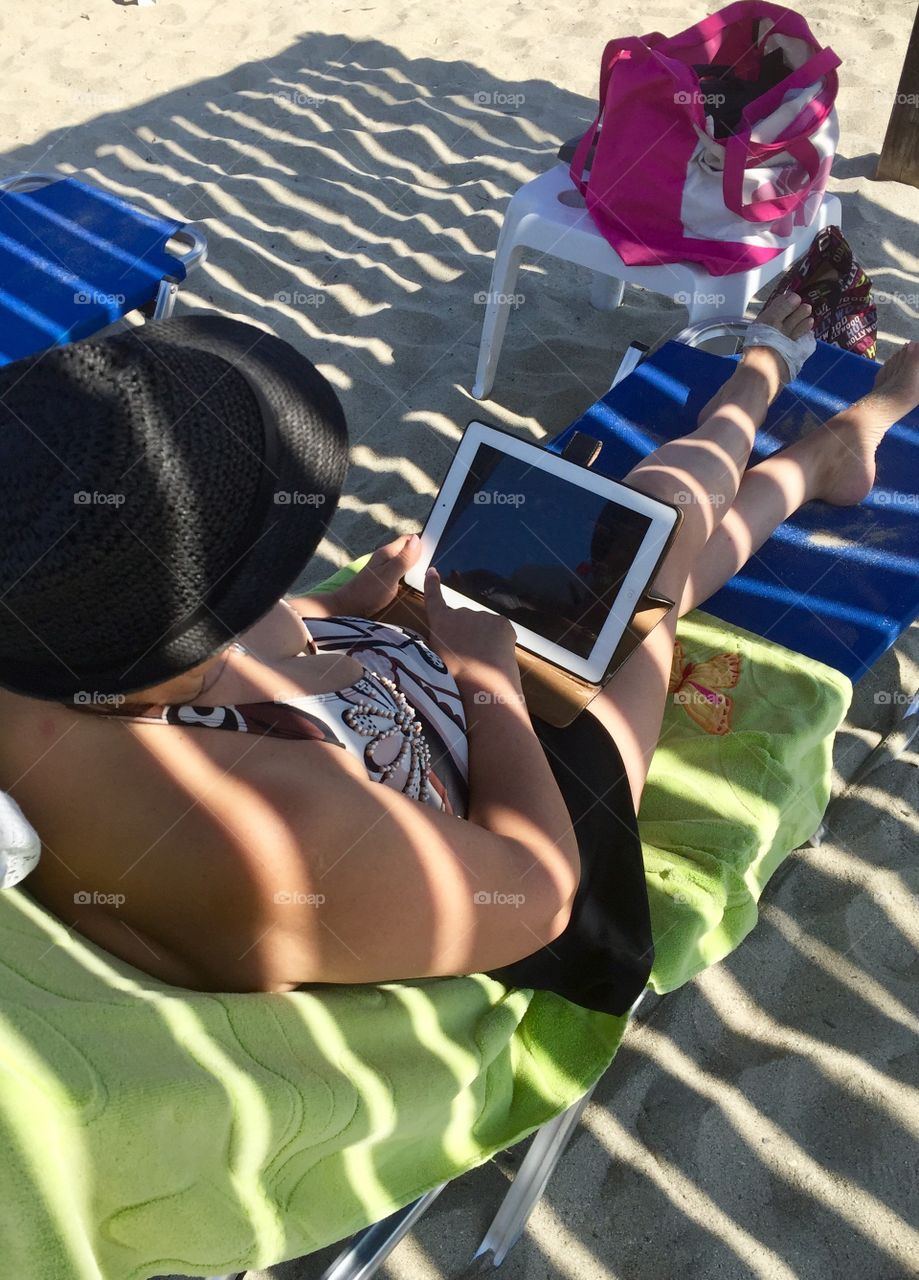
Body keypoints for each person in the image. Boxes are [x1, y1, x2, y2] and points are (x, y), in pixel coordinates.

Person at [0, 300, 916, 1006]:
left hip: (364, 683)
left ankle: (814, 425)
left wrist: (339, 604)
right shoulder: (278, 839)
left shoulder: (45, 647)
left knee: (644, 559)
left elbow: (176, 677)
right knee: (652, 532)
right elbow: (540, 894)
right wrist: (487, 684)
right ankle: (778, 380)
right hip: (531, 793)